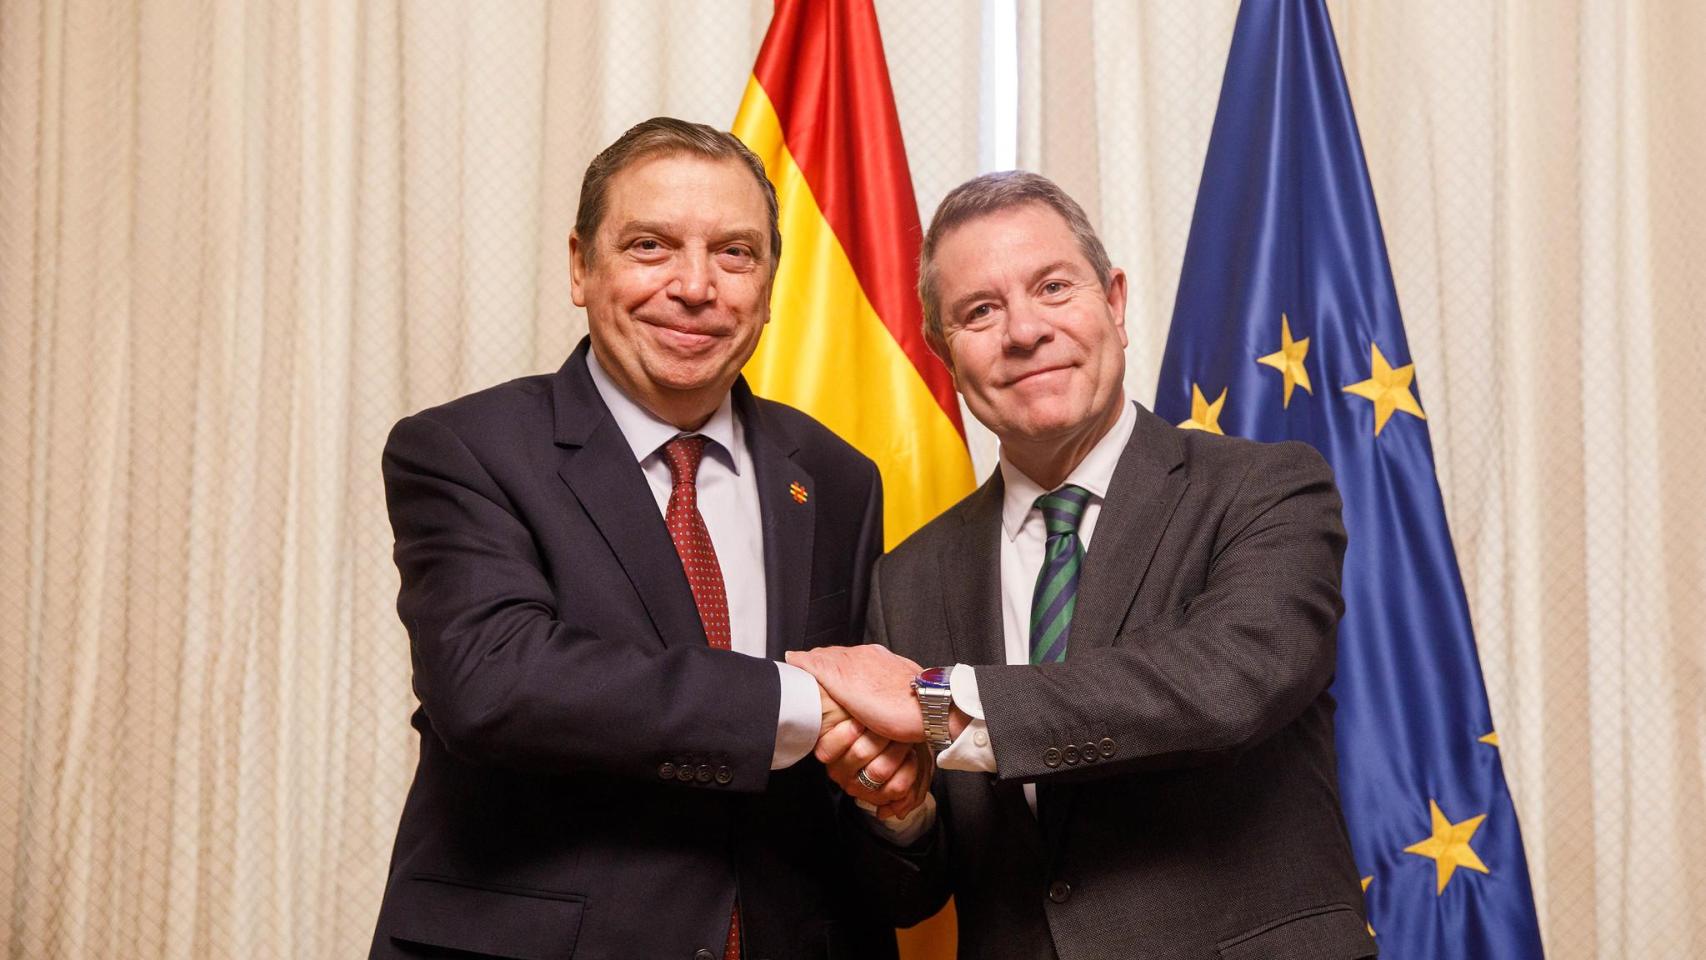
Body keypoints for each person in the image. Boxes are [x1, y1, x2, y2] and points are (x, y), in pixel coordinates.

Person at [369, 117, 925, 960]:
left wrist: (893, 793)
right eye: (651, 245)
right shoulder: (464, 449)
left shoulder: (839, 477)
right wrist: (809, 703)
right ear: (580, 266)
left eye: (735, 253)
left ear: (771, 287)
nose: (696, 286)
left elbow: (849, 775)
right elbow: (494, 682)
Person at [790, 171, 1377, 959]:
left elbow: (1226, 685)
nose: (1025, 331)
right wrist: (899, 812)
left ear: (1116, 302)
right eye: (980, 311)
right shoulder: (909, 580)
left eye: (1053, 287)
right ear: (943, 354)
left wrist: (940, 704)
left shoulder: (1264, 489)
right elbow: (908, 895)